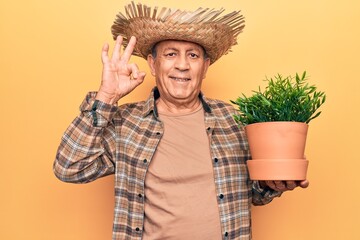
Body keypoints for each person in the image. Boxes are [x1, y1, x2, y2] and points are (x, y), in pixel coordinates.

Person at [53, 2, 309, 239]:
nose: (183, 65)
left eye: (193, 56)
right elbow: (69, 167)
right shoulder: (125, 124)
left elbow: (252, 193)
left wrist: (272, 184)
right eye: (171, 54)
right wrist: (107, 96)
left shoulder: (234, 121)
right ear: (153, 64)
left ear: (205, 66)